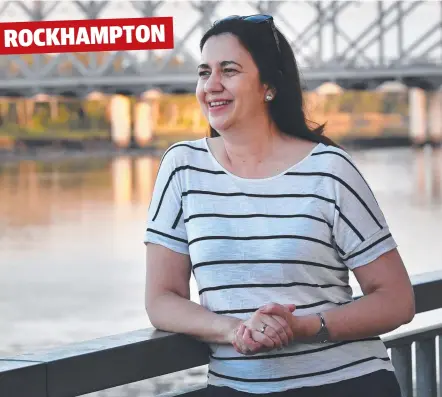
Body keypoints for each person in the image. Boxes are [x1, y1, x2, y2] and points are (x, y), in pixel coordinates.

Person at [143, 14, 415, 397]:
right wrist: (235, 330)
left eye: (229, 70)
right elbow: (161, 299)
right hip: (236, 389)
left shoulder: (329, 169)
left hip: (346, 384)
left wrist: (303, 327)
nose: (211, 85)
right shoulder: (182, 167)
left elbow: (397, 299)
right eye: (204, 72)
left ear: (269, 85)